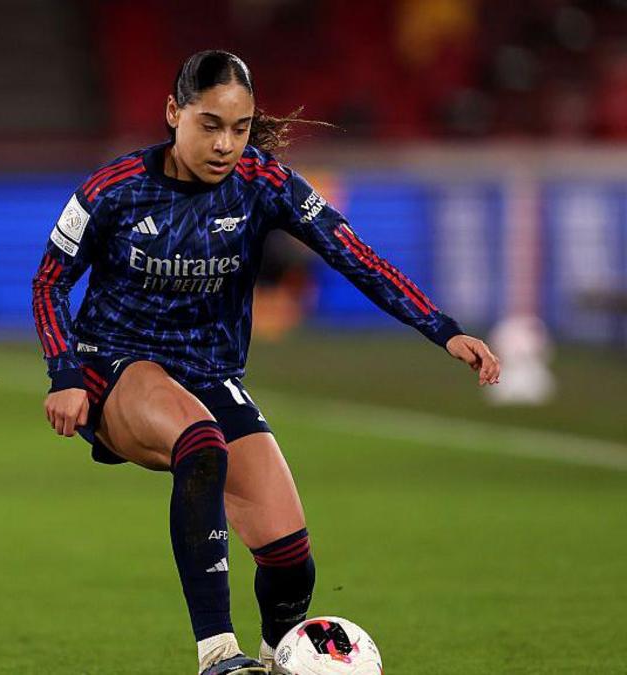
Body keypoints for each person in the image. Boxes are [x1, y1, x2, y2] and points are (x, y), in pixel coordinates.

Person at [31, 50, 500, 675]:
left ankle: (280, 661)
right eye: (210, 124)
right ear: (173, 113)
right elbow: (48, 284)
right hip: (115, 368)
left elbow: (354, 255)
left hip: (208, 374)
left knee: (290, 556)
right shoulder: (111, 191)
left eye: (241, 127)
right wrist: (64, 374)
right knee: (200, 442)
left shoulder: (265, 184)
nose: (226, 143)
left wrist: (442, 330)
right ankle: (218, 655)